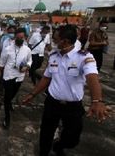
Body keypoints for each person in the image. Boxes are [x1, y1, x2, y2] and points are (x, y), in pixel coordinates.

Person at [22, 24, 110, 156]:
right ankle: (44, 152)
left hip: (73, 107)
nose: (53, 41)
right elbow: (46, 78)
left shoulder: (84, 57)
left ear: (65, 41)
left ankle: (59, 145)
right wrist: (32, 94)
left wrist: (97, 101)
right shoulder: (53, 56)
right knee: (46, 134)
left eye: (56, 39)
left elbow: (92, 78)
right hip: (52, 103)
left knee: (72, 139)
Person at [0, 28, 32, 128]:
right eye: (18, 37)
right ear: (14, 37)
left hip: (19, 77)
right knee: (7, 97)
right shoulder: (8, 49)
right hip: (8, 76)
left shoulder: (27, 50)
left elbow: (30, 61)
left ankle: (9, 103)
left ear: (25, 38)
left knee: (13, 94)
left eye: (22, 37)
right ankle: (7, 118)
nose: (20, 39)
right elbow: (2, 63)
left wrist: (27, 66)